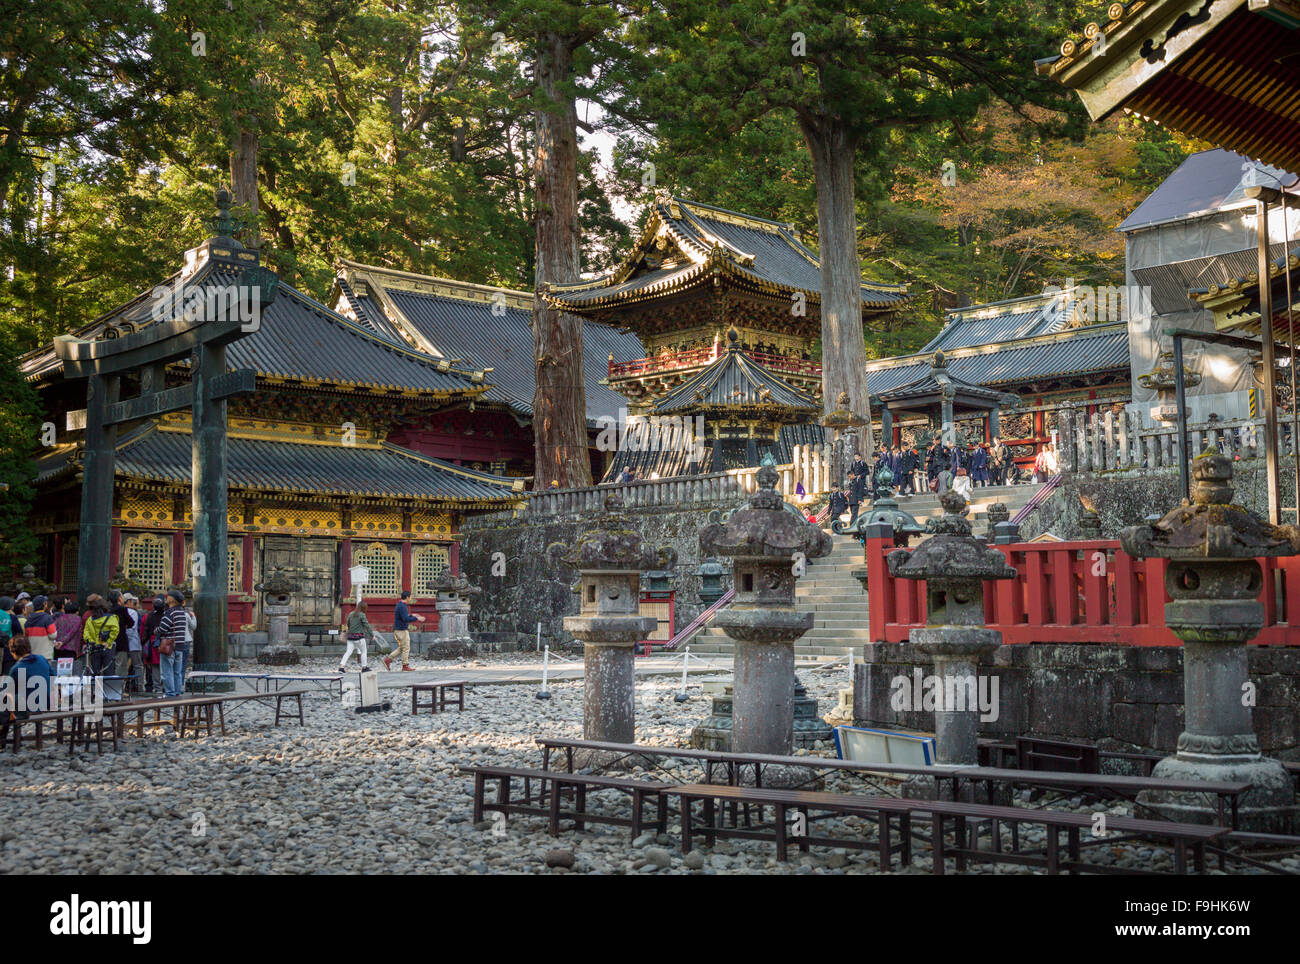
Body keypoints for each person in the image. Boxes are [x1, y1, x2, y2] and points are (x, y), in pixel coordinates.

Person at [156, 589, 188, 698]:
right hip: (180, 645)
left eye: (168, 596)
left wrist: (156, 630)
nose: (166, 598)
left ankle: (169, 693)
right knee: (177, 672)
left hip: (169, 645)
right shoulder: (183, 613)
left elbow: (163, 628)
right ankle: (177, 691)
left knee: (167, 671)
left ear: (171, 600)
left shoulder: (170, 612)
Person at [81, 594, 119, 677]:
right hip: (107, 648)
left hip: (95, 649)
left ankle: (97, 689)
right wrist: (108, 642)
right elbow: (115, 630)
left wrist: (92, 642)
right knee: (108, 671)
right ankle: (107, 689)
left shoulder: (90, 619)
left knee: (96, 672)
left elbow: (86, 634)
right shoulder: (112, 618)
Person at [386, 590, 424, 672]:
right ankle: (405, 665)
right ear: (407, 597)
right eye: (410, 597)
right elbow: (405, 619)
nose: (410, 598)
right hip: (401, 630)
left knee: (402, 647)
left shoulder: (400, 605)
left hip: (398, 629)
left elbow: (403, 616)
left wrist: (412, 615)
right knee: (406, 647)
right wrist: (417, 618)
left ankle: (388, 660)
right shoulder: (403, 606)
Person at [340, 599, 378, 673]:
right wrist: (372, 635)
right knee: (364, 651)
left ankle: (341, 667)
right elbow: (367, 625)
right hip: (359, 637)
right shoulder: (362, 615)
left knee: (348, 652)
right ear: (364, 608)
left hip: (350, 637)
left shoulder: (351, 614)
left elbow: (348, 624)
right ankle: (364, 667)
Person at [121, 594, 144, 695]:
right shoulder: (133, 612)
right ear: (129, 601)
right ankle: (139, 687)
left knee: (123, 666)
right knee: (138, 665)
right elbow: (132, 628)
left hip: (123, 643)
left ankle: (122, 687)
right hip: (133, 643)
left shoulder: (120, 611)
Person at [142, 596, 165, 693]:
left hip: (153, 643)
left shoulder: (149, 616)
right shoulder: (166, 615)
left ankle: (157, 687)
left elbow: (146, 631)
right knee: (166, 665)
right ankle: (165, 685)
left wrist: (143, 643)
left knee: (155, 666)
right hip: (165, 642)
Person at [23, 596, 55, 661]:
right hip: (45, 656)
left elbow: (26, 636)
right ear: (44, 604)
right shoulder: (47, 618)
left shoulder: (28, 619)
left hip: (32, 655)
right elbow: (53, 635)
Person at [53, 599, 81, 666]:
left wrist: (56, 642)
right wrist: (62, 642)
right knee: (69, 672)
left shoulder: (59, 618)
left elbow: (53, 630)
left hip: (58, 648)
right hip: (70, 649)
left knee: (58, 671)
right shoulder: (77, 619)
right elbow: (72, 632)